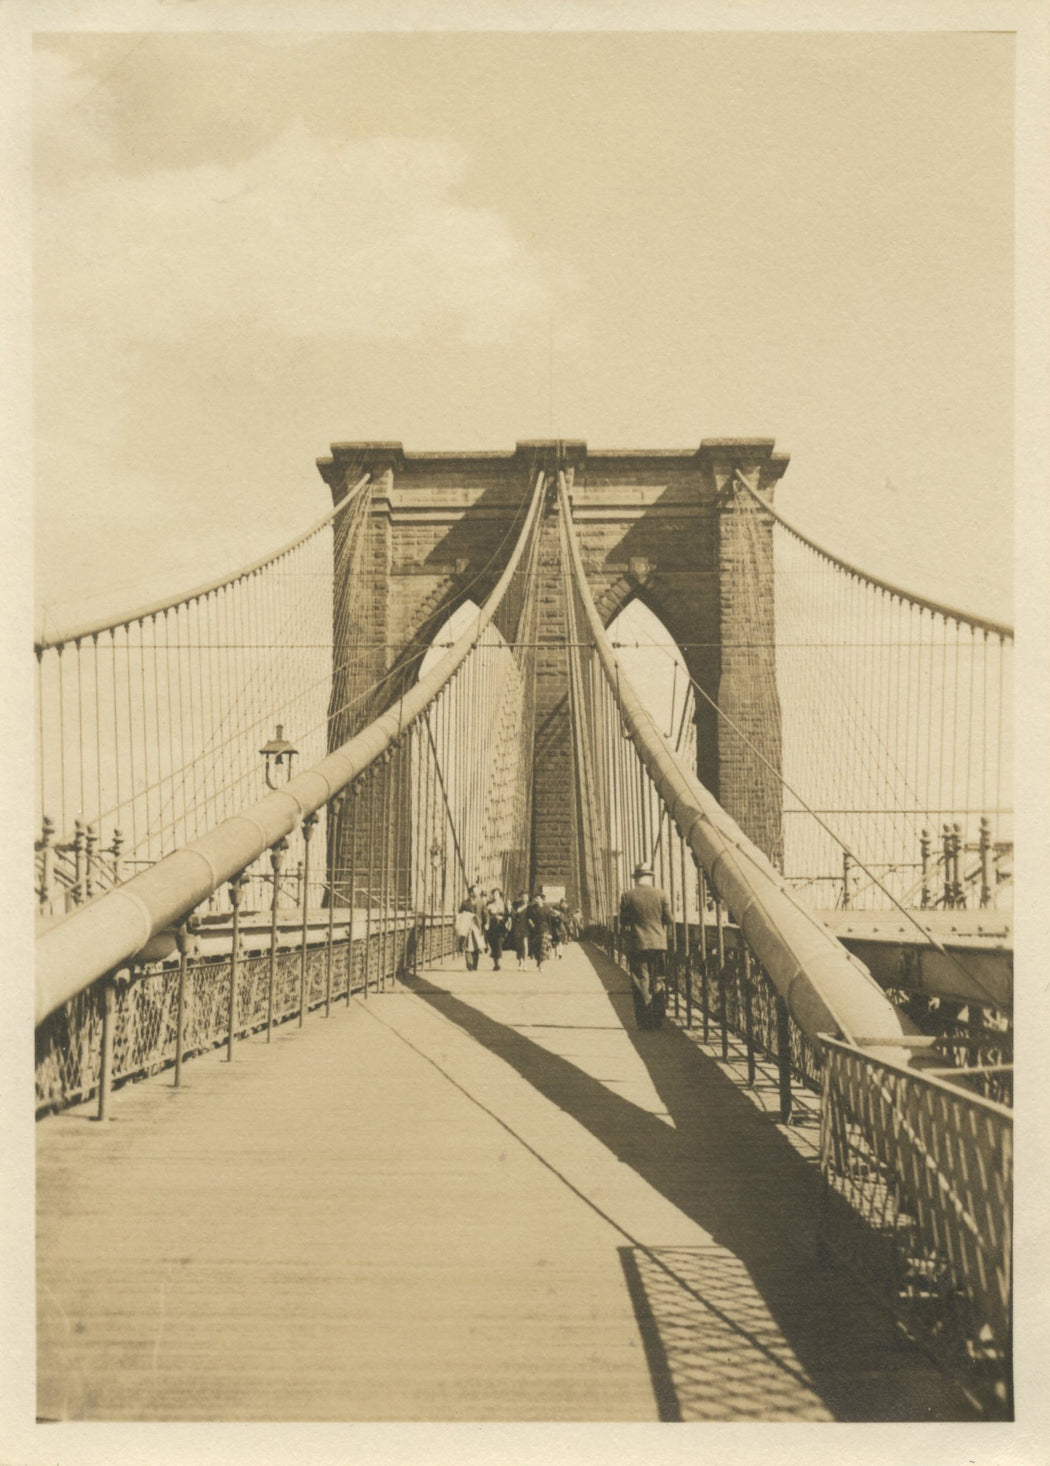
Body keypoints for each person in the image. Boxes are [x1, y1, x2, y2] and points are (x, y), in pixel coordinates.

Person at [619, 862, 672, 1029]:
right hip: (658, 943)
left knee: (640, 980)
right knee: (658, 979)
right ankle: (657, 1016)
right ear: (650, 877)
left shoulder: (628, 895)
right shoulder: (661, 894)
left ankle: (644, 1020)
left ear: (636, 878)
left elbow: (624, 920)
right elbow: (669, 920)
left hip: (637, 944)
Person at [455, 883, 485, 971]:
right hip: (468, 926)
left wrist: (486, 923)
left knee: (476, 945)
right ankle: (469, 964)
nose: (478, 892)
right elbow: (460, 913)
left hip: (477, 926)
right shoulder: (465, 903)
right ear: (471, 893)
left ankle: (475, 964)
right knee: (468, 945)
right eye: (476, 890)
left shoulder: (481, 902)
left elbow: (485, 913)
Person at [484, 887, 511, 971]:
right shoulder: (489, 904)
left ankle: (498, 962)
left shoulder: (503, 904)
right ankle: (495, 963)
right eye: (494, 894)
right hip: (491, 927)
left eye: (497, 894)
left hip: (500, 927)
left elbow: (507, 915)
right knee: (493, 944)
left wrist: (501, 917)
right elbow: (485, 914)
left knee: (499, 944)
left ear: (500, 895)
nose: (495, 896)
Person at [526, 890, 551, 971]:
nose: (536, 900)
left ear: (542, 900)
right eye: (535, 898)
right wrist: (531, 923)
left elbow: (549, 921)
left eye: (538, 898)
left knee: (542, 947)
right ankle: (538, 961)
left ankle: (541, 965)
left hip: (544, 929)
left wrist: (550, 933)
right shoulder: (531, 908)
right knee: (536, 948)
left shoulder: (547, 909)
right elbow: (528, 918)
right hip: (535, 929)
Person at [509, 891, 530, 971]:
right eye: (523, 897)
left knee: (525, 944)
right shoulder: (517, 906)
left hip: (526, 927)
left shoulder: (530, 907)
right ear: (521, 898)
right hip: (518, 927)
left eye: (526, 897)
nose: (525, 898)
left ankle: (525, 962)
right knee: (519, 945)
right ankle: (520, 961)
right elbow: (513, 915)